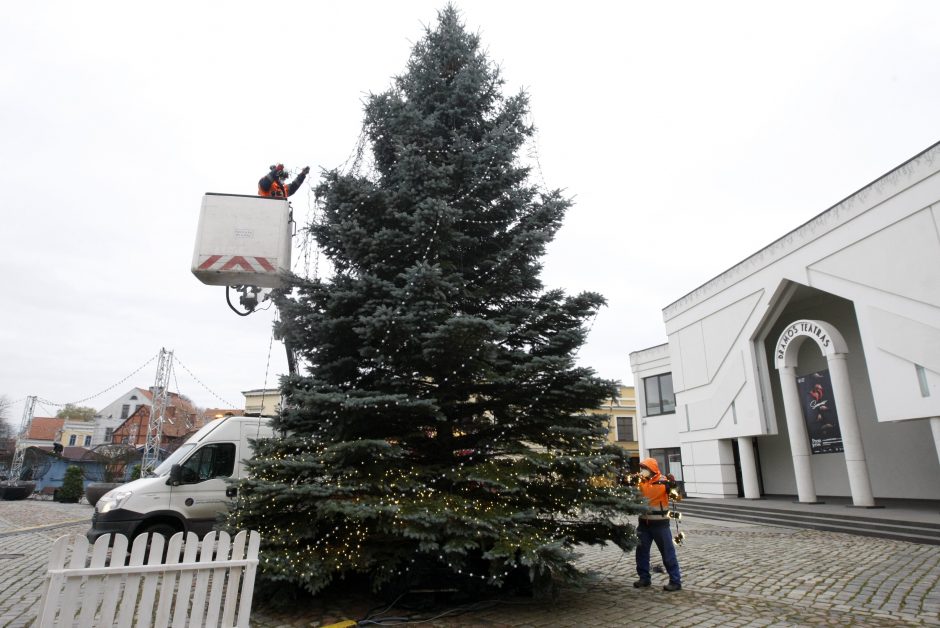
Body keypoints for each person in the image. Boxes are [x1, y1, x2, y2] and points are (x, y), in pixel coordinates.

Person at [633, 457, 682, 592]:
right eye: (642, 468)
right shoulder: (641, 483)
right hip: (643, 524)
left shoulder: (664, 482)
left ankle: (675, 581)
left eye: (645, 468)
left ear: (652, 469)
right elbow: (634, 498)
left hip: (660, 525)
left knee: (667, 553)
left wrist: (674, 485)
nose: (642, 470)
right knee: (641, 552)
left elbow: (677, 498)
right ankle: (644, 578)